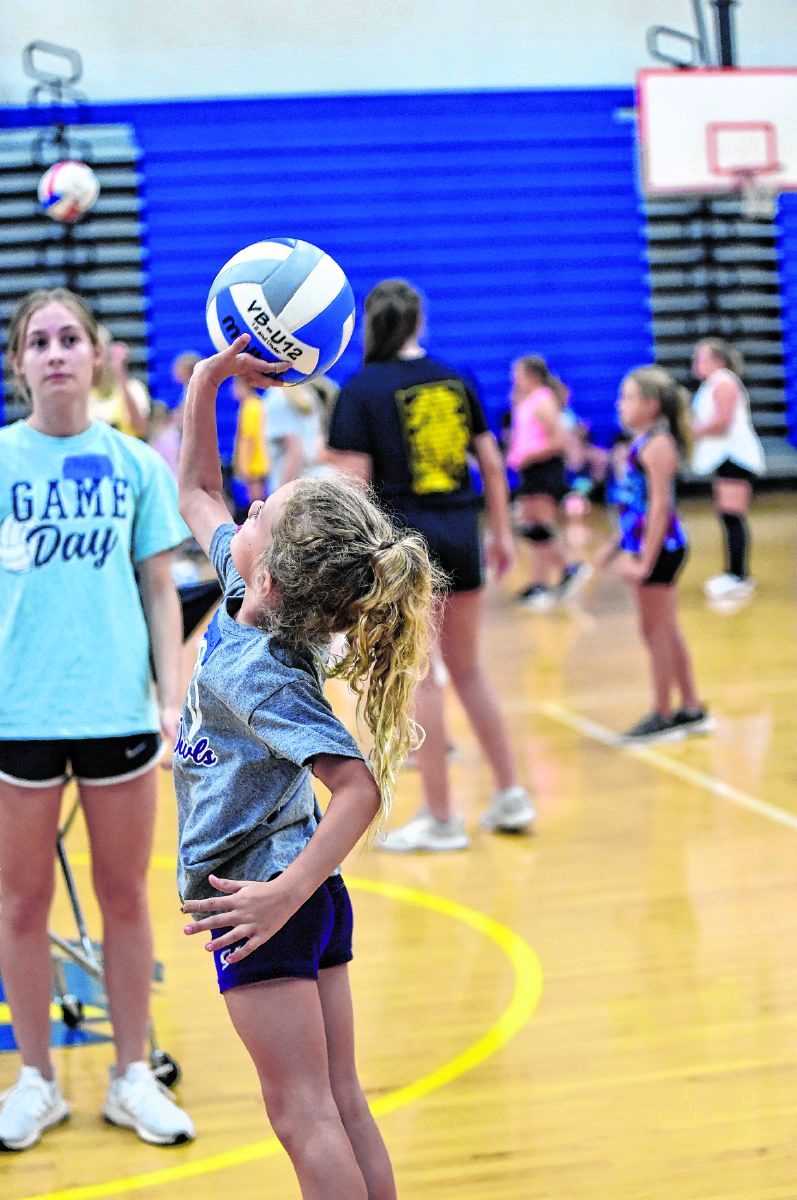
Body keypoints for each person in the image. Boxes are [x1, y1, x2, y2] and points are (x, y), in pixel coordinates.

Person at [176, 332, 438, 1200]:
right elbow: (199, 488)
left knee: (303, 1115)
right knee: (340, 1101)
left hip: (263, 898)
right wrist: (212, 380)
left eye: (260, 515)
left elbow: (358, 788)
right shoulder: (245, 601)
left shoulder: (261, 666)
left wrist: (279, 895)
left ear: (277, 577)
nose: (244, 512)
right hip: (303, 895)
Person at [0, 288, 194, 1150]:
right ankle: (34, 1078)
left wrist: (169, 696)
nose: (54, 352)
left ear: (97, 355)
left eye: (68, 338)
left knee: (124, 897)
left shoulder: (134, 464)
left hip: (116, 706)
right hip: (19, 711)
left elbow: (162, 589)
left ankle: (129, 1075)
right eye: (37, 341)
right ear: (18, 364)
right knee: (19, 901)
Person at [326, 278, 535, 851]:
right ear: (420, 323)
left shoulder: (361, 389)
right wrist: (501, 535)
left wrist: (354, 568)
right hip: (463, 536)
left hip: (406, 551)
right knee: (468, 671)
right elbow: (491, 465)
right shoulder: (456, 376)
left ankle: (443, 819)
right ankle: (511, 793)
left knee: (421, 678)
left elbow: (355, 489)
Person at [598, 366, 713, 744]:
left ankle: (664, 713)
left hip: (660, 549)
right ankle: (692, 706)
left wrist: (645, 561)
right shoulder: (644, 440)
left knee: (657, 631)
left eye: (627, 397)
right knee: (665, 629)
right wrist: (615, 544)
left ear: (650, 403)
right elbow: (636, 504)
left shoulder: (658, 444)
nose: (620, 404)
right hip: (646, 545)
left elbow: (660, 508)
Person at [506, 355, 591, 610]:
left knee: (540, 525)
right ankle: (540, 581)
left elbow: (558, 440)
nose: (514, 379)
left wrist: (529, 455)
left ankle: (567, 570)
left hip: (544, 469)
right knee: (533, 527)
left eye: (518, 374)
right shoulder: (528, 400)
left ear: (531, 375)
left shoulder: (544, 400)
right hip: (532, 471)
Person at [690, 338, 765, 604]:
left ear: (718, 360)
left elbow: (722, 422)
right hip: (724, 458)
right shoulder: (712, 384)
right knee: (727, 515)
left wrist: (689, 432)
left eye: (702, 358)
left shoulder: (724, 382)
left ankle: (739, 576)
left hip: (736, 458)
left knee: (733, 516)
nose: (696, 364)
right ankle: (733, 572)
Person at [265, 379, 331, 489]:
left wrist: (281, 495)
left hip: (301, 488)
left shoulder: (277, 398)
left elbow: (294, 451)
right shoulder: (308, 392)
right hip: (320, 480)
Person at [88, 325, 151, 438]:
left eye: (99, 352)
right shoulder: (79, 395)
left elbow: (140, 427)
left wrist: (120, 373)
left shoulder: (134, 388)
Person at [232, 376, 269, 504]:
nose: (233, 390)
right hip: (257, 461)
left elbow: (249, 437)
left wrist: (244, 465)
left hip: (254, 463)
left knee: (256, 501)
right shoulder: (257, 403)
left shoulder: (251, 406)